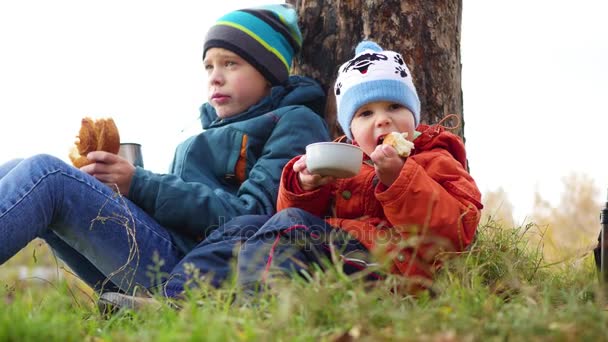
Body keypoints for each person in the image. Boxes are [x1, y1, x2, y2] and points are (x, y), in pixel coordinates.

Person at [101, 40, 483, 310]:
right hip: (336, 256)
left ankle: (254, 313)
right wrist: (304, 187)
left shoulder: (435, 159)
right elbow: (297, 214)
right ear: (351, 130)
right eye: (365, 114)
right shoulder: (351, 163)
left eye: (394, 106)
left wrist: (400, 179)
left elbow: (456, 231)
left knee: (289, 227)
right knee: (248, 225)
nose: (381, 119)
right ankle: (174, 302)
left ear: (414, 116)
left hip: (391, 269)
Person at [0, 3, 329, 298]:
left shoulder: (295, 121)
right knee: (16, 169)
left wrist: (140, 184)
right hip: (160, 257)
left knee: (47, 175)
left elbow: (255, 217)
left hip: (198, 269)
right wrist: (123, 187)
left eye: (230, 64)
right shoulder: (202, 131)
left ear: (270, 72)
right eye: (208, 66)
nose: (215, 78)